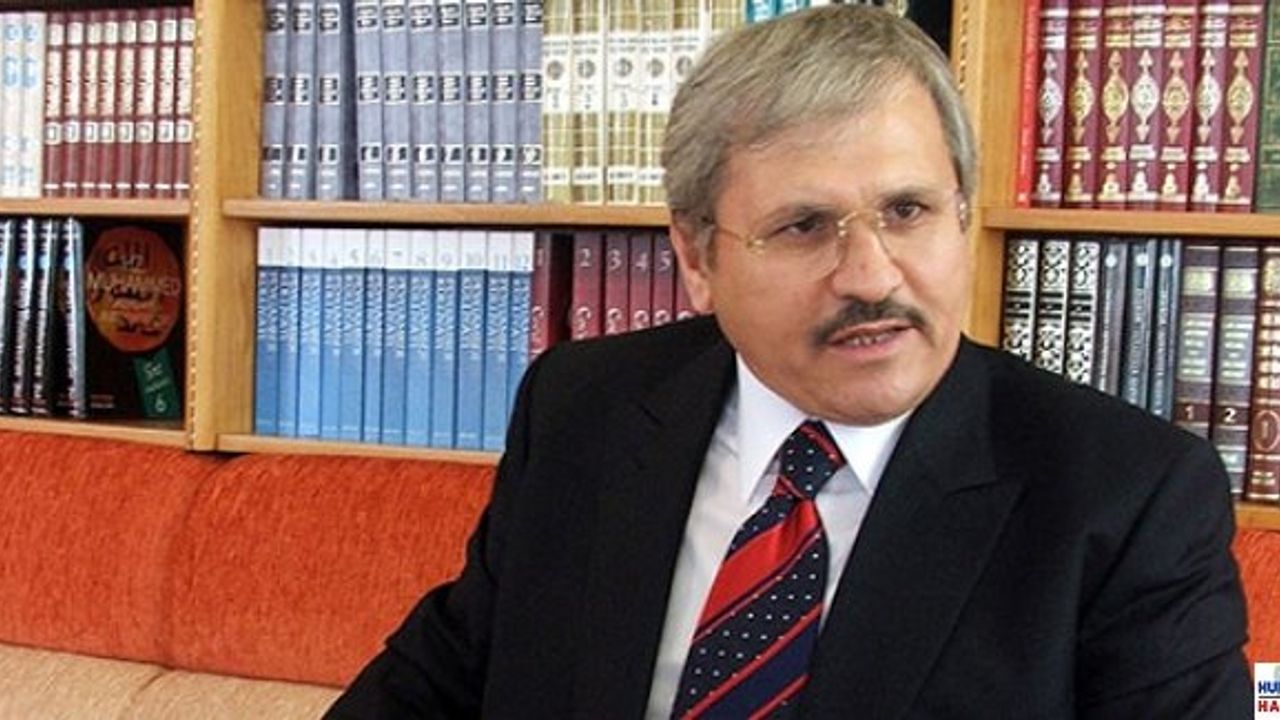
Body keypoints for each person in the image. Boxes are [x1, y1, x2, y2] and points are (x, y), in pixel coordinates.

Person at [326, 6, 1250, 718]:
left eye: (908, 211)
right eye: (805, 226)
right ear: (697, 259)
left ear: (963, 215)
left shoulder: (1126, 494)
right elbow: (439, 681)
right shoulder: (585, 408)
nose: (870, 275)